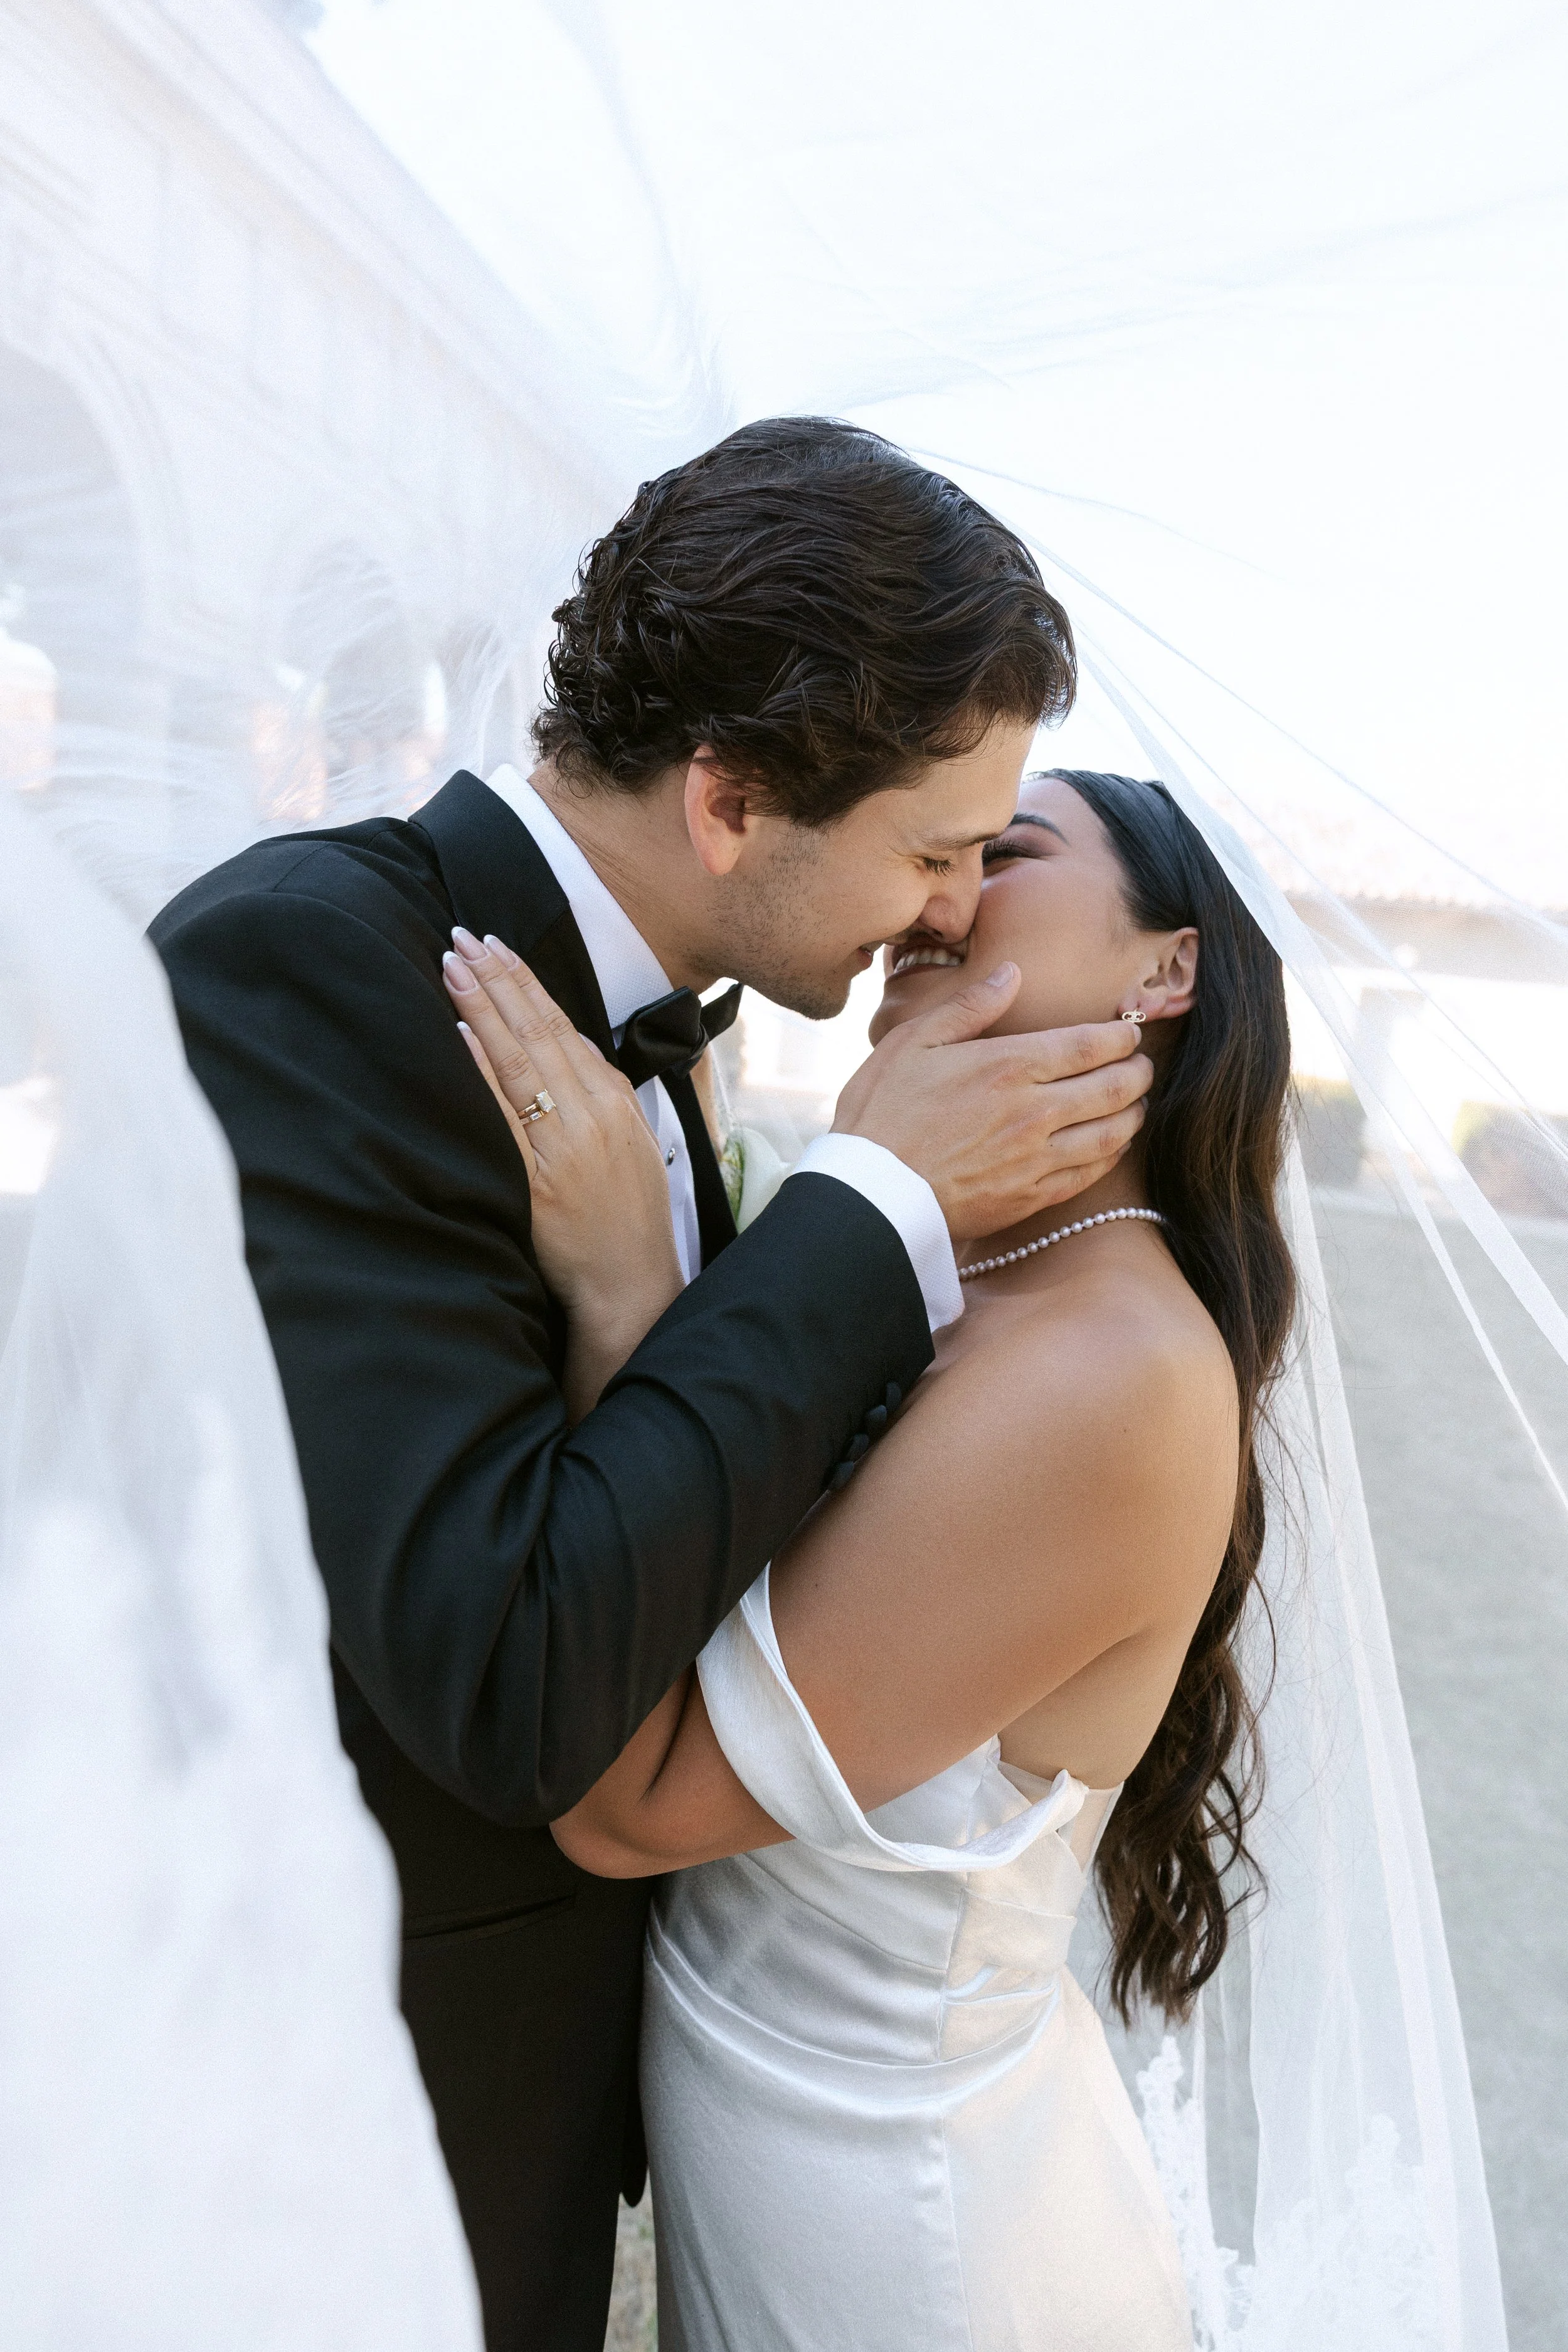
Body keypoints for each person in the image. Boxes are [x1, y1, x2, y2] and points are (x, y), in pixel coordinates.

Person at [147, 421, 1152, 2352]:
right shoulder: (314, 975)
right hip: (334, 2134)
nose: (952, 911)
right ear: (732, 793)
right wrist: (874, 1200)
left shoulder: (654, 1042)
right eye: (934, 849)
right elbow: (513, 1676)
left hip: (533, 2124)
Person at [456, 767, 1294, 2349]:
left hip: (908, 2233)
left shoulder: (1112, 1373)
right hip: (773, 2149)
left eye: (1009, 852)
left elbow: (631, 1800)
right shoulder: (934, 1277)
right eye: (943, 848)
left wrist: (632, 1307)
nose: (947, 891)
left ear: (1163, 969)